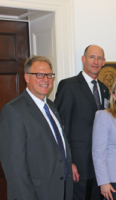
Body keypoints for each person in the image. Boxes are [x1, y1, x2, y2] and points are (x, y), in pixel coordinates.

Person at [0, 56, 73, 200]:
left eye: (49, 75)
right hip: (36, 194)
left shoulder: (51, 106)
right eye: (39, 75)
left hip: (60, 190)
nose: (45, 79)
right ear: (26, 77)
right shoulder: (13, 111)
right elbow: (15, 168)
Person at [54, 45, 109, 200]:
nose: (95, 61)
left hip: (99, 164)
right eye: (92, 57)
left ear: (104, 62)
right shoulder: (69, 86)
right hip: (78, 164)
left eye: (99, 58)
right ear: (83, 59)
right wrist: (68, 161)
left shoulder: (104, 89)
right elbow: (61, 127)